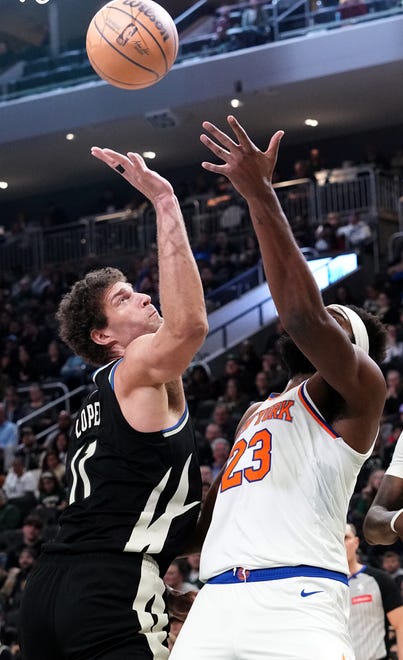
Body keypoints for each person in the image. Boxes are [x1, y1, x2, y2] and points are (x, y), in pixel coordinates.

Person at [170, 116, 387, 659]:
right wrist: (144, 558)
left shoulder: (360, 388)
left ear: (353, 349)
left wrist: (260, 193)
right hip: (217, 597)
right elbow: (215, 511)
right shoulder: (256, 412)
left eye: (335, 319)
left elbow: (302, 317)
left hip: (297, 596)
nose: (320, 318)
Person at [18, 147, 209, 660]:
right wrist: (166, 201)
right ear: (103, 335)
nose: (146, 296)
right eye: (125, 297)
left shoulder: (104, 397)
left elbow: (123, 510)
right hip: (107, 590)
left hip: (49, 589)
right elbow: (189, 326)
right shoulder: (135, 368)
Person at [345, 523, 403, 660]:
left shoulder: (380, 579)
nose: (341, 543)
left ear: (356, 542)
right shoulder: (326, 587)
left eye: (346, 537)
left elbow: (400, 625)